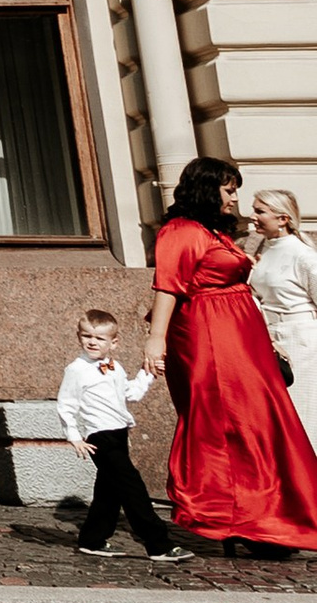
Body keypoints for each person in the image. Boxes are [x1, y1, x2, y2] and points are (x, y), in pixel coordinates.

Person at [141, 157, 317, 557]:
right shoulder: (181, 231)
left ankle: (266, 518)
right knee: (232, 423)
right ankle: (240, 519)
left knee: (259, 421)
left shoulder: (212, 232)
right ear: (207, 189)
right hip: (211, 339)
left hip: (240, 338)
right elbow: (168, 286)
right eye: (229, 188)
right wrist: (156, 339)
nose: (235, 197)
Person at [56, 307, 171, 558]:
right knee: (132, 487)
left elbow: (131, 394)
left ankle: (92, 539)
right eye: (87, 336)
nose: (92, 342)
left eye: (99, 338)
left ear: (114, 343)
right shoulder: (76, 369)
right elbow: (66, 404)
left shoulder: (114, 367)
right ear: (79, 337)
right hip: (100, 436)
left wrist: (147, 372)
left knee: (109, 491)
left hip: (119, 433)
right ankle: (158, 544)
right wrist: (74, 436)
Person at [249, 190, 317, 397]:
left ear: (283, 219)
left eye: (260, 211)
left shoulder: (303, 255)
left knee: (304, 410)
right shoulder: (262, 250)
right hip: (270, 339)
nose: (253, 217)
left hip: (302, 340)